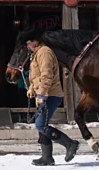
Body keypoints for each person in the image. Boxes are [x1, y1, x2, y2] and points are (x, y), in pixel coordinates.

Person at [21, 26, 79, 166]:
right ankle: (46, 157)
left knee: (40, 124)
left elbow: (47, 75)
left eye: (29, 43)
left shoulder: (44, 53)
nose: (28, 46)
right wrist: (33, 89)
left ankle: (70, 144)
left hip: (50, 95)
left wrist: (42, 94)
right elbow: (38, 76)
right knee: (42, 125)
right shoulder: (37, 53)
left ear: (35, 41)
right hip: (44, 93)